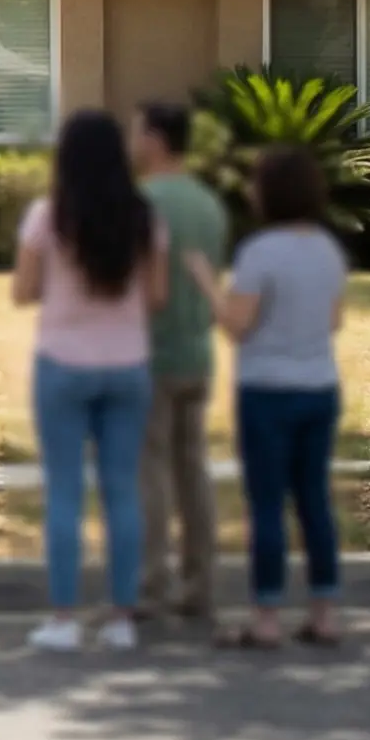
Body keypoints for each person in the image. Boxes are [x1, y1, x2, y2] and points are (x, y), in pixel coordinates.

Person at [13, 109, 170, 653]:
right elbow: (156, 297)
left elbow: (24, 291)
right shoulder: (144, 217)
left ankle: (63, 618)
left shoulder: (48, 216)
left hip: (62, 364)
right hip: (128, 366)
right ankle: (122, 619)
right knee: (121, 491)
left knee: (65, 494)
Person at [212, 145, 348, 650]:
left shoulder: (259, 253)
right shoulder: (327, 251)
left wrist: (209, 286)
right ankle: (325, 613)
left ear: (270, 193)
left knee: (267, 503)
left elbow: (237, 326)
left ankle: (266, 618)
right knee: (314, 500)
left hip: (267, 391)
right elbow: (333, 320)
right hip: (319, 388)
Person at [131, 102, 226, 624]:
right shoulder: (208, 205)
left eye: (137, 130)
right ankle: (201, 585)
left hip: (152, 355)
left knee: (151, 472)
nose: (132, 139)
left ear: (156, 139)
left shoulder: (143, 202)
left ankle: (152, 586)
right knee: (194, 472)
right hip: (197, 354)